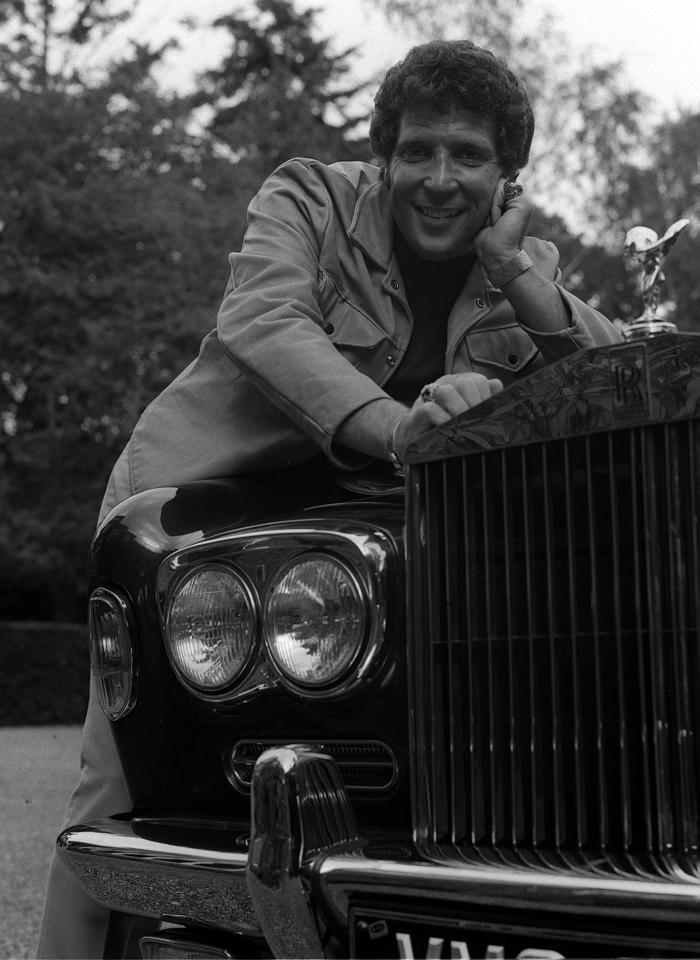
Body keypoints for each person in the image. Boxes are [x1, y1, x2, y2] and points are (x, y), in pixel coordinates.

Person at [38, 38, 623, 958]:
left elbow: (627, 391)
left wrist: (519, 278)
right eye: (418, 151)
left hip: (364, 570)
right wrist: (403, 428)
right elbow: (264, 319)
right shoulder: (306, 197)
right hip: (201, 526)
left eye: (469, 156)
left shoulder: (521, 265)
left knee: (436, 796)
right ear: (383, 156)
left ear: (508, 176)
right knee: (124, 787)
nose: (439, 178)